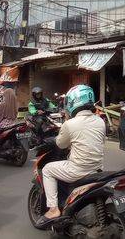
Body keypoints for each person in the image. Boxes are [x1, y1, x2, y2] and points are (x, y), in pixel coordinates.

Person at [40, 85, 105, 222]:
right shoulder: (100, 121)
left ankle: (53, 209)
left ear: (73, 102)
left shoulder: (70, 124)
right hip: (97, 169)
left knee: (47, 170)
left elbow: (61, 144)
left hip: (78, 170)